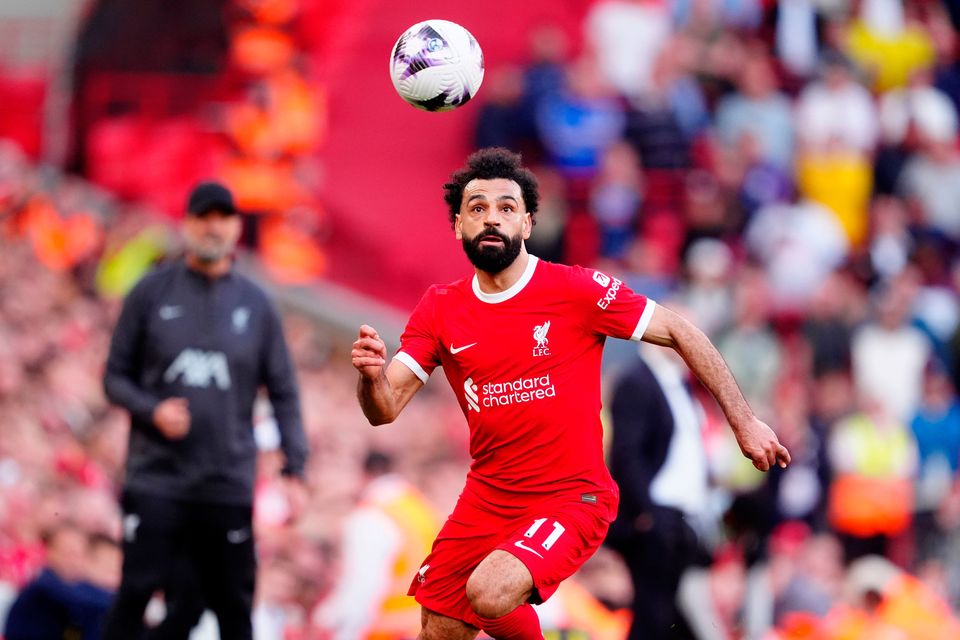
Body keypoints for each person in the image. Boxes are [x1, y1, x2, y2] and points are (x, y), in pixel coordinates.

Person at [351, 148, 791, 640]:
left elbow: (682, 332)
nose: (491, 218)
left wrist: (744, 423)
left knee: (490, 593)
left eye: (506, 207)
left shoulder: (575, 290)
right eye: (477, 208)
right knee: (438, 627)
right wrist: (371, 377)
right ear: (457, 225)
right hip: (487, 499)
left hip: (571, 498)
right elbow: (384, 409)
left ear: (528, 222)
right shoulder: (439, 309)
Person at [101, 181, 309, 640]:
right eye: (202, 216)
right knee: (136, 592)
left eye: (222, 217)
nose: (212, 226)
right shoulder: (151, 293)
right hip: (157, 477)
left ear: (237, 227)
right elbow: (114, 378)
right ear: (187, 223)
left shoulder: (257, 306)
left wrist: (294, 467)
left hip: (225, 483)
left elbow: (284, 393)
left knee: (229, 607)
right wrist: (152, 410)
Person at [606, 345, 721, 640]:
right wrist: (647, 512)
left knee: (668, 613)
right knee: (652, 612)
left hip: (681, 518)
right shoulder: (636, 381)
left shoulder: (677, 382)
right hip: (655, 517)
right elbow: (626, 454)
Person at [313, 450, 442, 639]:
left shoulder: (371, 516)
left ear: (364, 474)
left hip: (387, 630)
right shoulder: (422, 510)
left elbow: (363, 585)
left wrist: (331, 623)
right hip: (424, 625)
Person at [3, 523, 114, 640]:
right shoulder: (42, 587)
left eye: (79, 554)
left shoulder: (85, 589)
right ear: (50, 552)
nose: (74, 560)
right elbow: (77, 598)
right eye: (68, 553)